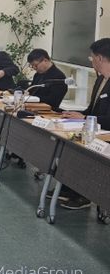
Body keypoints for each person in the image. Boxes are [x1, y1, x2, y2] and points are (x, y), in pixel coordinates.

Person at [55, 38, 110, 210]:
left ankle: (84, 194)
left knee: (83, 152)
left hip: (105, 135)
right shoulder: (100, 80)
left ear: (99, 58)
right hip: (94, 130)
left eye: (91, 57)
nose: (91, 61)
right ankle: (70, 188)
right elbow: (92, 109)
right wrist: (76, 115)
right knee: (69, 145)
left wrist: (85, 118)